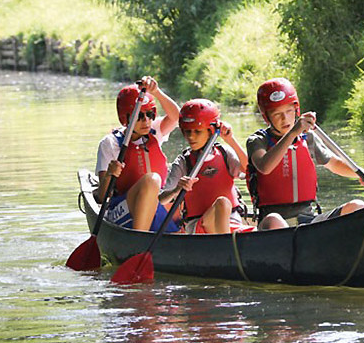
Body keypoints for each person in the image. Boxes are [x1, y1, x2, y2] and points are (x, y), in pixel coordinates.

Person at [246, 77, 364, 230]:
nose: (285, 119)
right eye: (277, 114)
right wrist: (292, 133)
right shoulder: (257, 141)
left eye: (289, 111)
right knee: (274, 220)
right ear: (266, 117)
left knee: (359, 206)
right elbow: (264, 166)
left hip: (308, 220)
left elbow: (334, 163)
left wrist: (362, 174)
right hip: (272, 222)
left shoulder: (307, 138)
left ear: (296, 110)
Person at [95, 76, 180, 232]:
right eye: (139, 116)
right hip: (122, 210)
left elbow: (176, 117)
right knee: (152, 180)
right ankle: (139, 240)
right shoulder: (110, 144)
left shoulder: (155, 131)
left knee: (182, 196)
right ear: (125, 118)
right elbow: (101, 197)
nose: (146, 121)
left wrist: (157, 92)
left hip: (157, 201)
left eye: (150, 114)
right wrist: (109, 174)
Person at [159, 99, 253, 234]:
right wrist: (177, 190)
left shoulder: (225, 153)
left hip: (232, 223)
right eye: (187, 131)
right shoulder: (183, 162)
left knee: (269, 222)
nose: (191, 136)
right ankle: (227, 249)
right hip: (198, 227)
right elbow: (161, 200)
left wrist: (231, 140)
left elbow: (250, 170)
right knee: (222, 203)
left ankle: (226, 244)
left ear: (210, 131)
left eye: (197, 131)